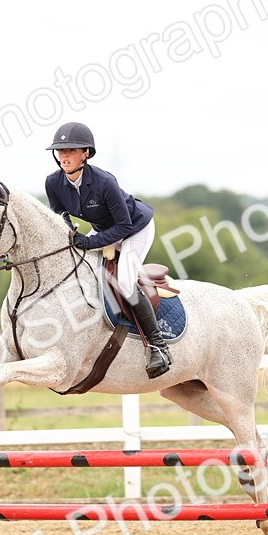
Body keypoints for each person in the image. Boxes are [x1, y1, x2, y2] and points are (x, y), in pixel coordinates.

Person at [44, 122, 171, 379]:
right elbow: (60, 215)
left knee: (124, 280)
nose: (64, 155)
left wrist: (90, 243)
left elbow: (123, 226)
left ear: (86, 154)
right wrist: (72, 235)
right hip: (104, 230)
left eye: (71, 150)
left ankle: (158, 346)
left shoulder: (104, 182)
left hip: (135, 228)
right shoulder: (53, 182)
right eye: (60, 150)